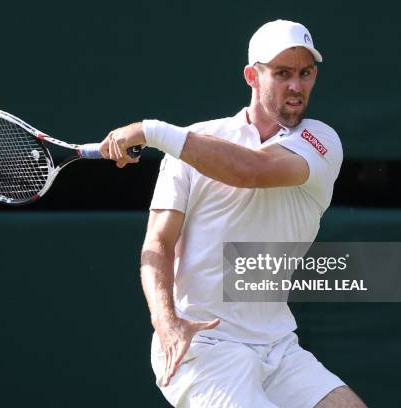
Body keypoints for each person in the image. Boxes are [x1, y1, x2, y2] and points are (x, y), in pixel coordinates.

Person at [100, 19, 366, 408]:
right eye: (282, 73)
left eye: (305, 74)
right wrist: (166, 322)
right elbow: (158, 243)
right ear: (251, 76)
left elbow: (251, 171)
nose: (296, 86)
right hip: (203, 347)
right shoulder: (190, 145)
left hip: (277, 348)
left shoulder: (320, 140)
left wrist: (152, 131)